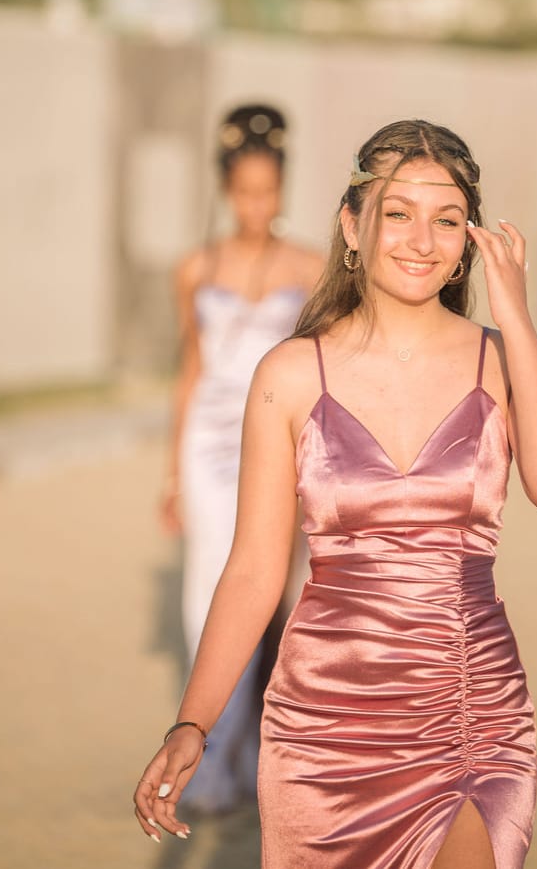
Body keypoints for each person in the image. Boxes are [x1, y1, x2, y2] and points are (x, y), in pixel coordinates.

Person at [138, 118, 537, 866]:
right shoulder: (288, 375)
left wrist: (512, 311)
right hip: (325, 728)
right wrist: (193, 723)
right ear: (353, 225)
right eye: (399, 214)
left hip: (471, 710)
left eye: (447, 220)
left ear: (468, 241)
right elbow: (255, 571)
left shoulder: (497, 360)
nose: (422, 240)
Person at [160, 102, 323, 813]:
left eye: (269, 190)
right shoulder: (195, 267)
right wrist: (171, 471)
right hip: (206, 441)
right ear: (226, 190)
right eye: (244, 191)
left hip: (278, 439)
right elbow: (189, 369)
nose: (257, 205)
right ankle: (214, 746)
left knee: (269, 587)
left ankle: (259, 739)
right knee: (205, 586)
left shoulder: (313, 266)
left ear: (282, 188)